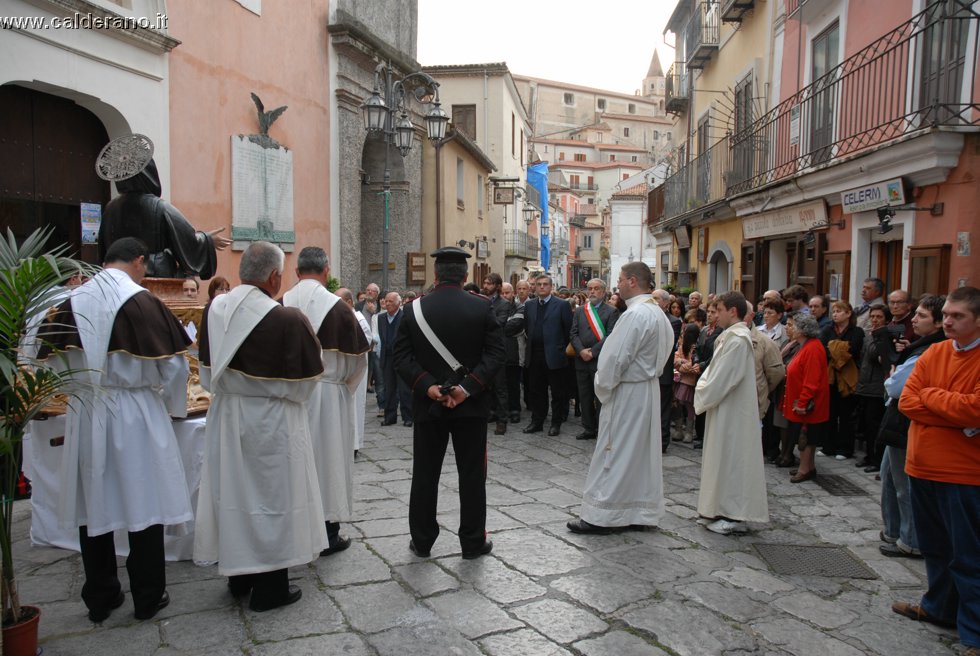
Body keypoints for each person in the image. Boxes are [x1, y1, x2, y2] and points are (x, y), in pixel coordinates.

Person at [37, 237, 193, 622]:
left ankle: (101, 596)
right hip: (135, 410)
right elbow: (174, 368)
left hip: (87, 409)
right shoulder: (143, 302)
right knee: (146, 500)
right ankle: (148, 595)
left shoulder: (70, 302)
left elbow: (52, 364)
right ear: (139, 261)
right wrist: (174, 408)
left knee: (94, 504)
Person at [195, 241, 327, 612]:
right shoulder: (287, 318)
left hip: (227, 414)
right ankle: (270, 587)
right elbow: (306, 384)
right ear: (273, 277)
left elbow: (206, 373)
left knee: (233, 494)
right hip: (273, 420)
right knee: (273, 499)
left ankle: (239, 575)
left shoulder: (214, 310)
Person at [393, 247, 504, 559]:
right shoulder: (482, 307)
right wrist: (467, 388)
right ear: (466, 277)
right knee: (472, 475)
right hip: (470, 406)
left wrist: (428, 387)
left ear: (435, 275)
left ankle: (423, 540)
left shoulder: (413, 309)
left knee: (425, 473)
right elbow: (495, 354)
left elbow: (401, 357)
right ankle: (472, 542)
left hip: (428, 406)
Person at [893, 287, 980, 655]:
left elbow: (975, 410)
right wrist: (950, 409)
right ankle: (938, 607)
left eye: (957, 316)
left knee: (968, 554)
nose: (947, 321)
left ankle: (974, 632)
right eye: (946, 313)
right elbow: (907, 400)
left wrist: (933, 397)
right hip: (922, 465)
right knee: (933, 546)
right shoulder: (935, 352)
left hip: (963, 473)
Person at [567, 262, 674, 534]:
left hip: (628, 391)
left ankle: (602, 515)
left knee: (613, 450)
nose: (618, 284)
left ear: (634, 281)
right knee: (639, 453)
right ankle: (638, 511)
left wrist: (603, 385)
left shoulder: (635, 314)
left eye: (621, 279)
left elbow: (615, 358)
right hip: (647, 389)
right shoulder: (658, 313)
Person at [282, 247, 370, 557]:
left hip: (291, 395)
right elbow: (359, 363)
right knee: (330, 460)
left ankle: (294, 526)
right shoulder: (340, 309)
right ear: (327, 272)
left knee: (295, 460)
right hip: (330, 395)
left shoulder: (281, 304)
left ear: (296, 272)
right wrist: (341, 387)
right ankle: (329, 532)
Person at [877, 295, 946, 560]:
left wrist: (895, 372)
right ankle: (894, 530)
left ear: (938, 323)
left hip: (906, 423)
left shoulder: (930, 350)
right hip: (898, 421)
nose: (914, 319)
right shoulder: (920, 346)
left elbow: (895, 386)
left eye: (922, 316)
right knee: (889, 477)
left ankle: (911, 539)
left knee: (903, 483)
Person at [694, 292, 769, 535]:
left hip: (734, 411)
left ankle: (734, 514)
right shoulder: (730, 337)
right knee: (721, 459)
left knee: (733, 460)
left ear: (733, 312)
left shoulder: (738, 341)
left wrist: (701, 390)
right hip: (724, 407)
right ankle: (716, 508)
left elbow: (723, 378)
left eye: (720, 310)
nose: (715, 315)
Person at [98, 158, 231, 279]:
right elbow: (188, 240)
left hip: (117, 277)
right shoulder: (158, 206)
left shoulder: (110, 208)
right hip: (154, 276)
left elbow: (103, 248)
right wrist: (206, 239)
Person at [514, 275, 573, 436]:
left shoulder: (561, 305)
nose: (541, 287)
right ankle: (537, 421)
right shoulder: (530, 305)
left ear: (551, 287)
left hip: (555, 355)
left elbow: (568, 330)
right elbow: (527, 327)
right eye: (538, 284)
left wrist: (561, 350)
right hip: (534, 355)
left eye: (545, 284)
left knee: (557, 393)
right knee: (536, 391)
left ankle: (556, 423)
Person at [782, 312, 830, 483]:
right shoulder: (805, 345)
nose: (790, 328)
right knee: (807, 435)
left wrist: (802, 402)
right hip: (803, 400)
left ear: (803, 329)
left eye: (793, 325)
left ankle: (805, 469)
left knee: (807, 436)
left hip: (810, 403)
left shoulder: (813, 348)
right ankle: (807, 466)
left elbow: (812, 380)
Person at [569, 279, 620, 441]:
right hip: (581, 360)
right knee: (584, 396)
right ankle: (588, 428)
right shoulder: (580, 311)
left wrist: (593, 352)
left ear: (603, 292)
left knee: (600, 397)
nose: (592, 292)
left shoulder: (612, 311)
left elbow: (611, 335)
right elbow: (573, 334)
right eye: (590, 289)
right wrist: (581, 350)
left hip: (600, 361)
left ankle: (601, 428)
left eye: (596, 289)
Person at [821, 300, 864, 459]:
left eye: (839, 311)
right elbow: (823, 349)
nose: (835, 314)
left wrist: (833, 348)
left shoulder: (857, 331)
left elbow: (853, 349)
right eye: (834, 311)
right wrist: (839, 348)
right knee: (830, 413)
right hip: (830, 377)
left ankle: (844, 448)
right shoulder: (827, 329)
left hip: (847, 376)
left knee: (846, 414)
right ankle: (828, 446)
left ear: (848, 313)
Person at [854, 305, 891, 472]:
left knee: (874, 425)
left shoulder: (885, 336)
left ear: (887, 320)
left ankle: (876, 460)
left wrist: (876, 336)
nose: (874, 320)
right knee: (866, 425)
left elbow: (874, 355)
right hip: (864, 384)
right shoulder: (870, 335)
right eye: (872, 317)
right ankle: (869, 456)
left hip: (877, 387)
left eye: (879, 317)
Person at [336, 287, 373, 455]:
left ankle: (354, 444)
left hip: (356, 368)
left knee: (355, 406)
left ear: (349, 302)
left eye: (339, 301)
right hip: (345, 369)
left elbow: (367, 340)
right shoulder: (340, 317)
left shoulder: (357, 318)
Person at [482, 273, 513, 434]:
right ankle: (490, 413)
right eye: (485, 283)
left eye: (489, 283)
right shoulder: (480, 301)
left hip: (497, 351)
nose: (486, 286)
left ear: (498, 286)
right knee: (485, 385)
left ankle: (502, 420)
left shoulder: (504, 304)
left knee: (500, 387)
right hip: (483, 350)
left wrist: (481, 322)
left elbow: (498, 324)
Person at [653, 288, 681, 451]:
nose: (653, 301)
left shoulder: (673, 321)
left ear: (666, 303)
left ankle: (663, 441)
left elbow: (665, 345)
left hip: (663, 371)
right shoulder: (647, 318)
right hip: (647, 372)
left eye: (656, 298)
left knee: (663, 408)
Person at [378, 291, 413, 426]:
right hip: (387, 357)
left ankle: (408, 417)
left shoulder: (405, 316)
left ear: (398, 303)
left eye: (390, 301)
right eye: (386, 301)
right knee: (389, 388)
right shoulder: (381, 318)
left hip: (402, 358)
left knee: (404, 388)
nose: (387, 304)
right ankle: (390, 417)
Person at [692, 300, 722, 448]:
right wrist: (696, 361)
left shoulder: (721, 332)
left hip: (711, 370)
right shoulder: (704, 330)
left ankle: (706, 436)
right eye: (708, 312)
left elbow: (717, 354)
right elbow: (697, 348)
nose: (710, 315)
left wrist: (703, 365)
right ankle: (699, 433)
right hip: (700, 369)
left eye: (713, 312)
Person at [673, 323, 701, 443]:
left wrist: (681, 365)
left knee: (689, 405)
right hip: (679, 379)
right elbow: (675, 360)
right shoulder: (682, 346)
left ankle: (689, 431)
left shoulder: (695, 348)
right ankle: (679, 429)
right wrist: (681, 362)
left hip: (689, 381)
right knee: (677, 404)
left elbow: (692, 365)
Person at [500, 283, 523, 425]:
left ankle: (515, 410)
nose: (504, 296)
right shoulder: (494, 305)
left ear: (512, 293)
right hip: (498, 352)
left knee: (513, 383)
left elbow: (514, 326)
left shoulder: (519, 307)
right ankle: (501, 410)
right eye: (502, 293)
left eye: (507, 293)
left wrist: (500, 324)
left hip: (513, 352)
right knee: (499, 385)